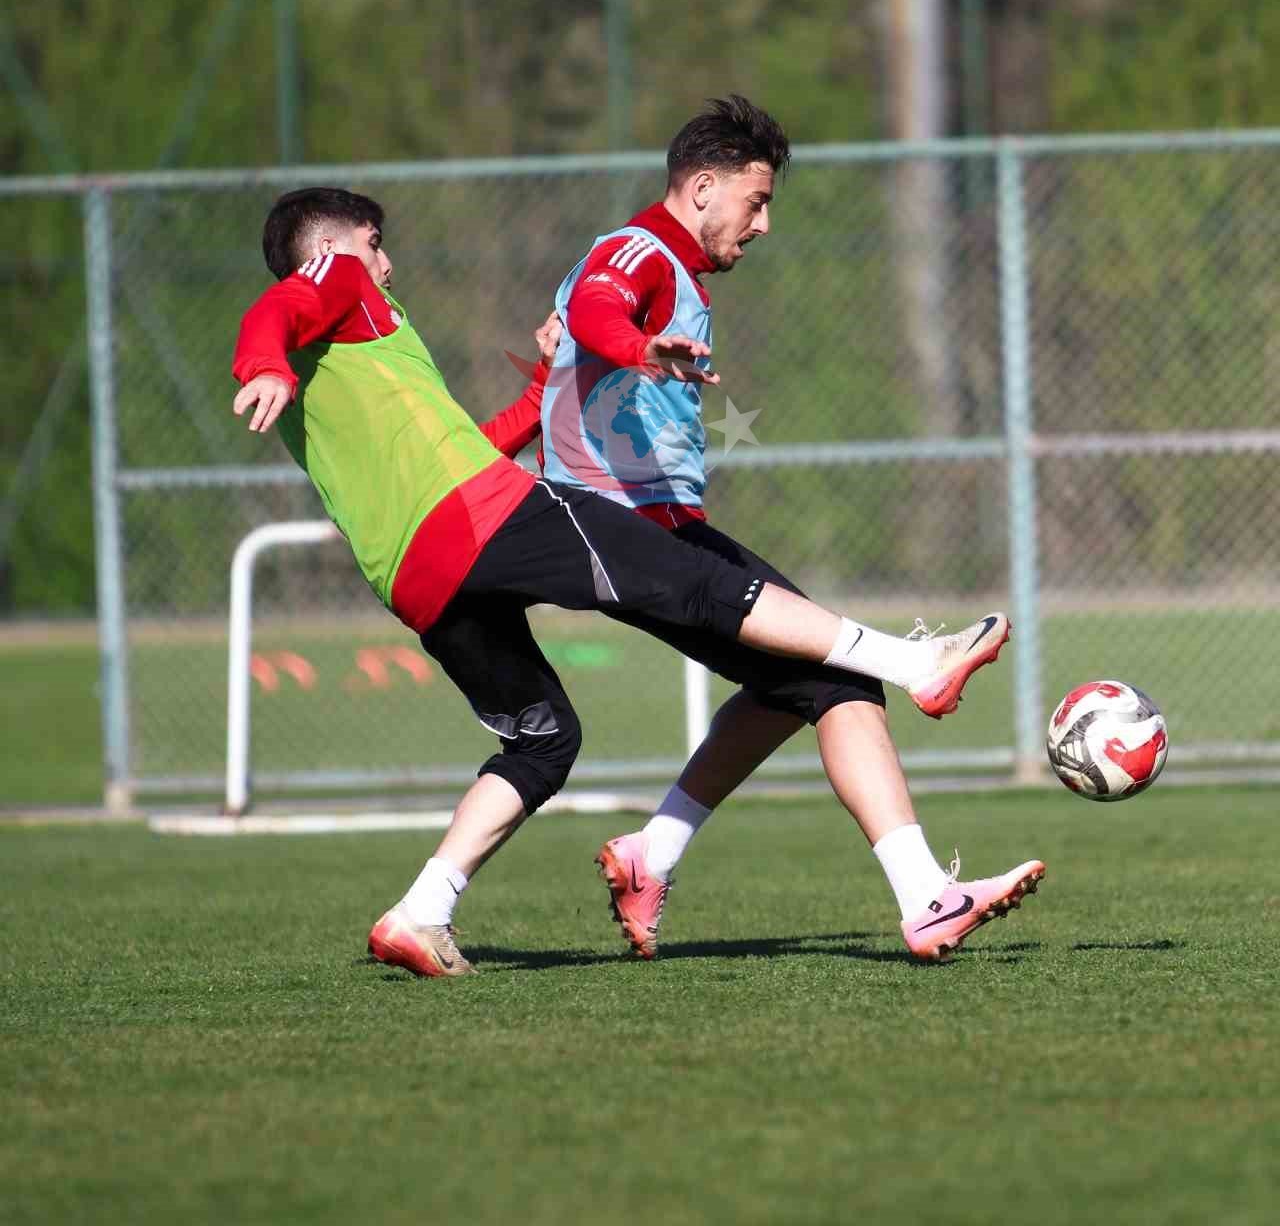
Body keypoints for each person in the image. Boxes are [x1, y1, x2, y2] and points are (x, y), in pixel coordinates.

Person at [231, 185, 1039, 979]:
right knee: (699, 582)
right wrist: (262, 362)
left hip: (416, 579)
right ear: (333, 250)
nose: (385, 263)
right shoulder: (336, 282)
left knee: (543, 743)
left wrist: (542, 385)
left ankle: (422, 910)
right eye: (375, 244)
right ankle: (915, 664)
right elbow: (275, 311)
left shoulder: (335, 362)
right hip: (481, 519)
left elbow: (470, 444)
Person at [539, 95, 1042, 963]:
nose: (764, 224)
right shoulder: (640, 249)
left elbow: (559, 356)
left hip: (652, 531)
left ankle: (653, 853)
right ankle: (924, 853)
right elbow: (593, 311)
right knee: (843, 683)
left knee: (795, 687)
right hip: (632, 535)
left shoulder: (663, 268)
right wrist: (639, 348)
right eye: (757, 200)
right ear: (702, 187)